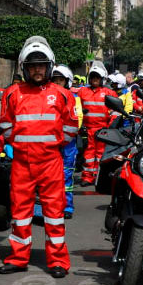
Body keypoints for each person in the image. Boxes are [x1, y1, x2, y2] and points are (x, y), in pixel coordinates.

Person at [0, 36, 79, 278]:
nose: (37, 70)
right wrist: (23, 144)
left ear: (49, 67)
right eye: (32, 66)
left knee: (54, 214)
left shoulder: (63, 95)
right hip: (22, 162)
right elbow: (5, 124)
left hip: (51, 162)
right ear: (24, 68)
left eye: (41, 66)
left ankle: (57, 262)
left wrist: (49, 146)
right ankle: (17, 258)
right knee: (20, 214)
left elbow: (71, 127)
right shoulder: (12, 93)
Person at [51, 64, 82, 219]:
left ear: (67, 81)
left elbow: (79, 120)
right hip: (50, 140)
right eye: (55, 79)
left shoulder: (74, 98)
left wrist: (64, 134)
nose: (57, 83)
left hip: (68, 142)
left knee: (66, 175)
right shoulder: (47, 97)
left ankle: (67, 207)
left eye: (60, 80)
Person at [78, 61, 117, 186]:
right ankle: (87, 177)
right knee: (88, 155)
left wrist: (110, 126)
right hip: (88, 130)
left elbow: (116, 112)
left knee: (101, 155)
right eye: (93, 77)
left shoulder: (109, 93)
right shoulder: (82, 92)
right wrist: (80, 125)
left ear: (102, 79)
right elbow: (75, 108)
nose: (95, 79)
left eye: (97, 77)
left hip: (103, 130)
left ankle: (99, 178)